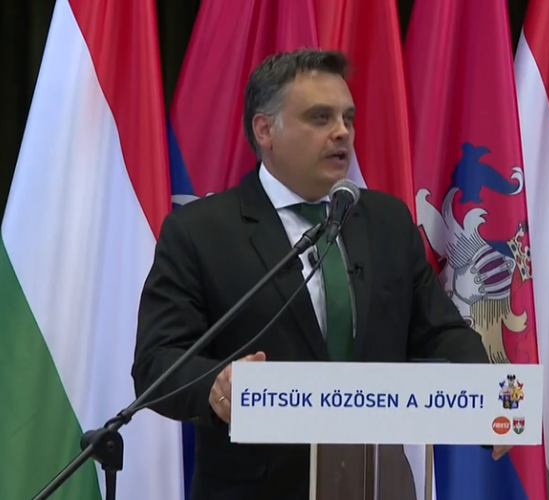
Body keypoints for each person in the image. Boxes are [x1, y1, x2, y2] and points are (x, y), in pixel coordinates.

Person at [131, 48, 509, 500]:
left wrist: (487, 397)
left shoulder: (387, 222)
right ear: (265, 130)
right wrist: (214, 384)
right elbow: (157, 361)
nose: (342, 132)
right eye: (320, 118)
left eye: (348, 118)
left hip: (377, 485)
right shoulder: (201, 232)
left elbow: (439, 332)